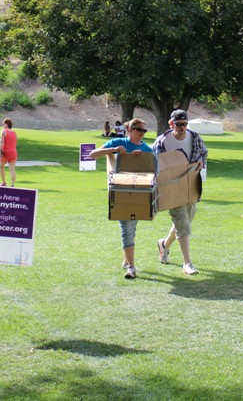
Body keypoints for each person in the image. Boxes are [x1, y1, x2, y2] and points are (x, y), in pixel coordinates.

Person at [89, 117, 154, 280]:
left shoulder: (146, 148)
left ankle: (126, 260)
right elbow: (93, 154)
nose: (142, 134)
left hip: (139, 195)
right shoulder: (118, 142)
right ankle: (131, 267)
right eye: (139, 130)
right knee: (127, 229)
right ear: (130, 130)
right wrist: (112, 150)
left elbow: (155, 169)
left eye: (144, 131)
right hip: (120, 193)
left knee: (132, 228)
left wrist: (142, 157)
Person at [151, 109, 207, 276]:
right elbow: (155, 163)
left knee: (186, 221)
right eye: (178, 124)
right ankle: (187, 263)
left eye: (184, 124)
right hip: (171, 188)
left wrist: (201, 161)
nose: (182, 127)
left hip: (191, 185)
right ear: (171, 123)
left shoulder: (195, 138)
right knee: (182, 222)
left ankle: (164, 245)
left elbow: (204, 153)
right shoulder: (162, 142)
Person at [0, 118, 17, 187]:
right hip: (13, 152)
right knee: (12, 169)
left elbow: (2, 142)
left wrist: (0, 151)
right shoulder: (14, 132)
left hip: (5, 151)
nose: (2, 125)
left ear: (6, 124)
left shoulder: (3, 131)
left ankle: (4, 182)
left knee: (1, 167)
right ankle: (12, 185)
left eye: (3, 123)